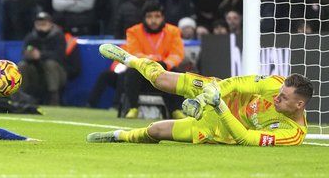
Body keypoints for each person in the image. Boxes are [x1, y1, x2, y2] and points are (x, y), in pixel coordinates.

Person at [87, 43, 313, 146]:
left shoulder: (292, 134)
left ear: (299, 104)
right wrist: (212, 94)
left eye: (283, 98)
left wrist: (218, 107)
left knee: (155, 131)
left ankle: (118, 135)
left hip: (220, 128)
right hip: (220, 94)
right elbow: (236, 83)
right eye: (279, 93)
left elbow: (245, 138)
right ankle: (130, 59)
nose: (276, 97)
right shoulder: (276, 84)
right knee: (161, 79)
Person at [119, 0, 185, 119]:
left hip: (165, 70)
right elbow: (134, 53)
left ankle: (176, 109)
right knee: (131, 72)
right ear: (144, 18)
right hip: (142, 72)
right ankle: (133, 108)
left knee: (178, 73)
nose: (153, 20)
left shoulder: (174, 31)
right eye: (149, 16)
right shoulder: (133, 31)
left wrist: (164, 64)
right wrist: (154, 62)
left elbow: (177, 54)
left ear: (163, 17)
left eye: (157, 16)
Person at [17, 11, 67, 105]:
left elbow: (59, 56)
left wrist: (40, 55)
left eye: (44, 24)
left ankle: (54, 99)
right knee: (22, 65)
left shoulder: (58, 36)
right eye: (38, 24)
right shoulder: (31, 37)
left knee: (50, 64)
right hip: (37, 75)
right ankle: (19, 97)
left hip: (57, 76)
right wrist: (29, 56)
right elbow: (23, 55)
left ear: (50, 24)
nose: (41, 27)